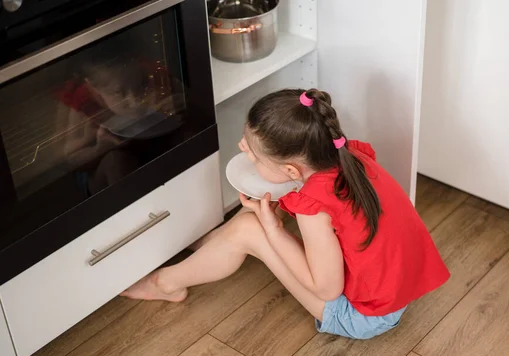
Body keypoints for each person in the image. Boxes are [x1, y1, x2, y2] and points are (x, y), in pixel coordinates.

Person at [121, 88, 450, 340]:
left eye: (254, 156)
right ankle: (211, 246)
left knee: (251, 228)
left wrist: (274, 231)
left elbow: (327, 289)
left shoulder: (313, 204)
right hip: (396, 291)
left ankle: (166, 283)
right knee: (253, 222)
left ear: (292, 169)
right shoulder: (349, 157)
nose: (242, 148)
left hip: (365, 316)